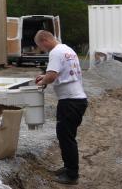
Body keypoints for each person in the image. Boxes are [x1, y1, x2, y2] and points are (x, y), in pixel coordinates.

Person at [33, 30, 87, 186]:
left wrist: (42, 81)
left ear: (44, 40)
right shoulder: (67, 49)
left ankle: (72, 175)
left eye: (41, 46)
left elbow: (52, 76)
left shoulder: (55, 52)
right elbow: (58, 74)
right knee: (65, 136)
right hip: (76, 99)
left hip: (70, 101)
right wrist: (44, 77)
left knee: (66, 138)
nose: (43, 50)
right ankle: (68, 167)